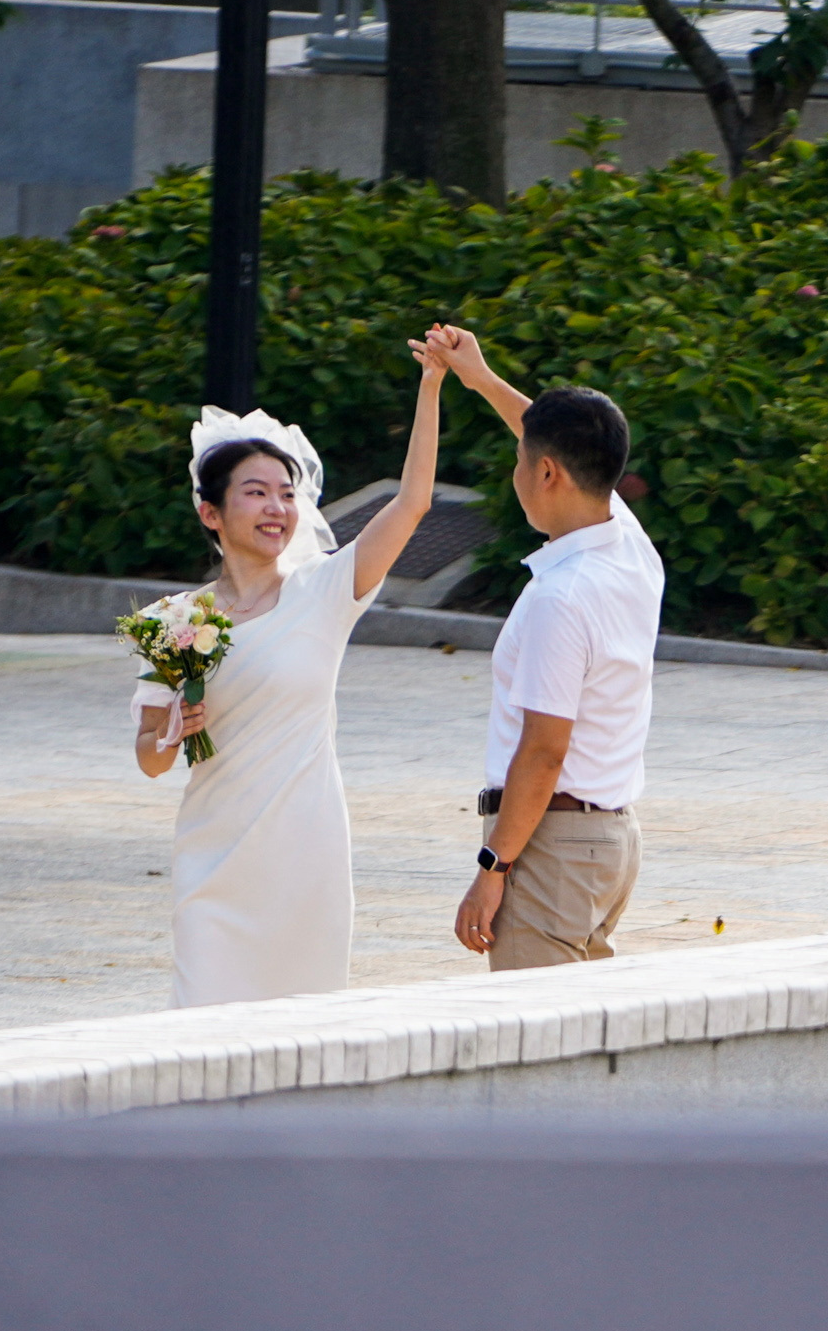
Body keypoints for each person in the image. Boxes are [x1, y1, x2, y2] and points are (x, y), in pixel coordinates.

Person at [130, 331, 469, 1007]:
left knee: (300, 1033)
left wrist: (430, 387)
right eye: (255, 493)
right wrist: (168, 731)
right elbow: (148, 758)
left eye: (286, 493)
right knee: (202, 1033)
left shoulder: (326, 589)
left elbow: (411, 505)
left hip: (304, 854)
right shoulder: (174, 619)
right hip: (213, 858)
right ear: (210, 511)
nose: (277, 508)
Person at [430, 330, 660, 973]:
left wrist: (493, 867)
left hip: (553, 847)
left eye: (521, 460)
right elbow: (555, 438)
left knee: (533, 1049)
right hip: (607, 840)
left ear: (547, 473)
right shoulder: (630, 547)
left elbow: (543, 749)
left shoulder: (563, 596)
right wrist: (479, 379)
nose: (517, 471)